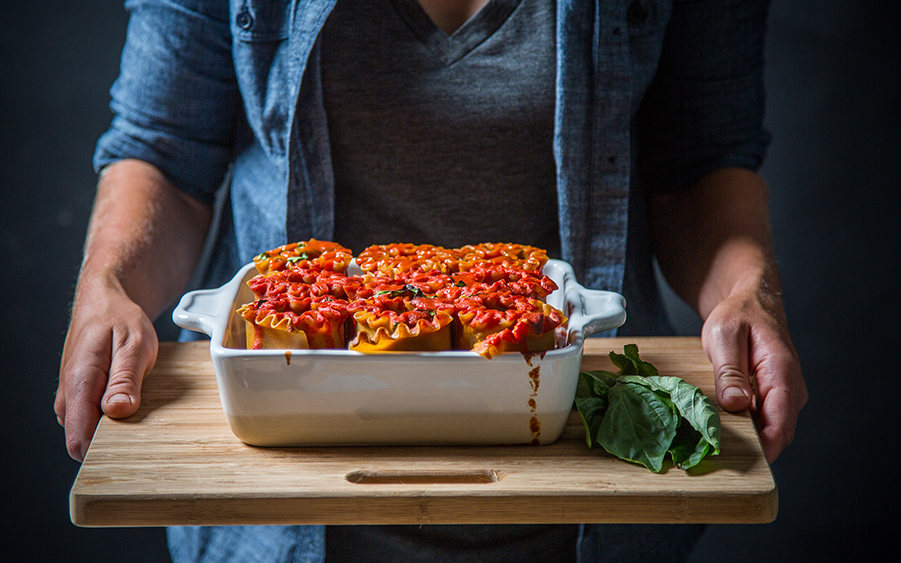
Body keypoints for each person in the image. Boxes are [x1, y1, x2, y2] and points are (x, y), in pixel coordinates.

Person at [56, 0, 807, 561]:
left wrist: (749, 295)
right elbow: (163, 151)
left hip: (587, 490)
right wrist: (110, 285)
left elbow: (702, 166)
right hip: (277, 515)